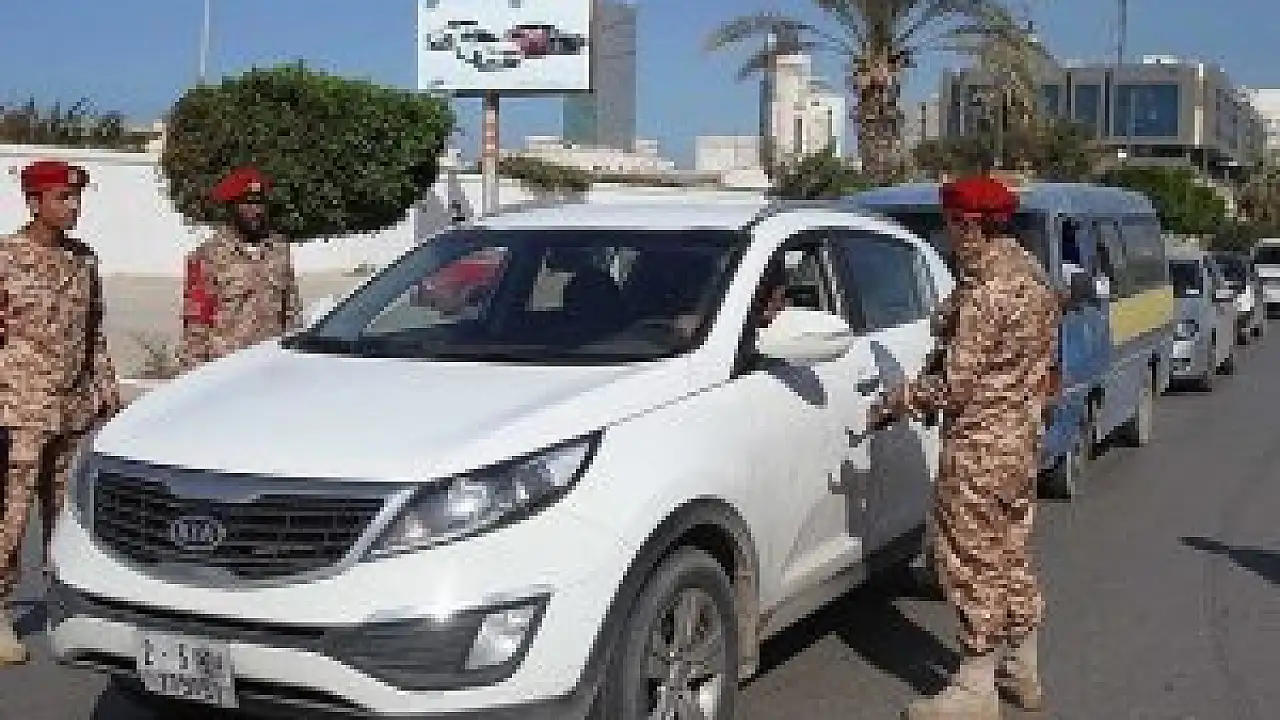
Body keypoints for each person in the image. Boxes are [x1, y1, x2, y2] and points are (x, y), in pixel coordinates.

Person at [871, 176, 1062, 719]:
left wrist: (902, 399)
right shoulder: (1029, 277)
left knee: (969, 559)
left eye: (952, 225)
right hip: (1020, 442)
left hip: (980, 447)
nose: (948, 235)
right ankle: (1021, 668)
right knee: (1009, 552)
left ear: (969, 226)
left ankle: (975, 687)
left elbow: (955, 386)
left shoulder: (986, 294)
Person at [0, 160, 122, 665]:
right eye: (62, 198)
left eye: (76, 199)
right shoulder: (6, 258)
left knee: (65, 514)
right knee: (10, 515)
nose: (72, 207)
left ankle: (61, 600)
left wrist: (107, 388)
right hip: (19, 409)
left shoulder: (83, 260)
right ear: (34, 202)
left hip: (72, 409)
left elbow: (94, 332)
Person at [176, 166, 302, 372]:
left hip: (271, 365)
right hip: (228, 369)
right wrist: (194, 376)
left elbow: (292, 312)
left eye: (260, 203)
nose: (256, 211)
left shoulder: (279, 250)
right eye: (248, 204)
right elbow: (196, 326)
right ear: (232, 207)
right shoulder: (208, 256)